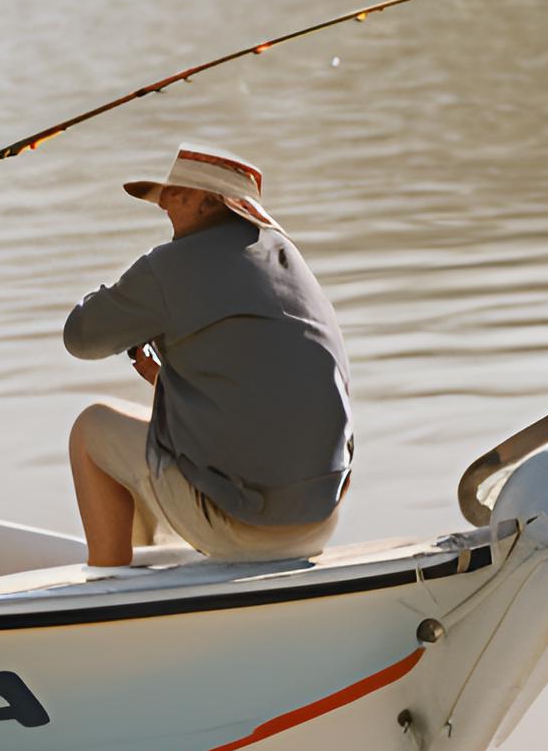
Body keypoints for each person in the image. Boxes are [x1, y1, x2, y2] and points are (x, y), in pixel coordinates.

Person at [63, 144, 353, 566]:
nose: (163, 203)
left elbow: (80, 336)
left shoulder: (172, 265)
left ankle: (108, 586)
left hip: (243, 528)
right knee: (153, 431)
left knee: (91, 430)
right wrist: (170, 380)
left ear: (214, 202)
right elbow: (271, 393)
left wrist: (126, 290)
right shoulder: (290, 262)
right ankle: (151, 572)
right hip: (320, 520)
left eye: (177, 193)